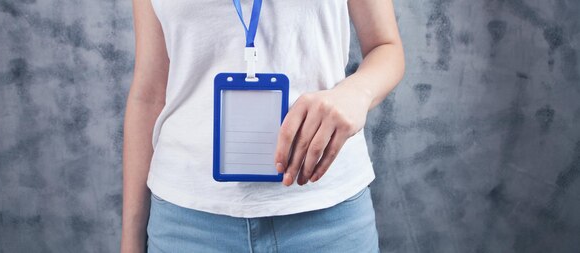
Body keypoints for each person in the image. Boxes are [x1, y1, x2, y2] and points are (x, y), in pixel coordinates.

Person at [122, 0, 404, 252]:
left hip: (326, 216)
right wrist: (130, 239)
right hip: (186, 222)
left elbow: (386, 47)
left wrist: (357, 93)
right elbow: (149, 95)